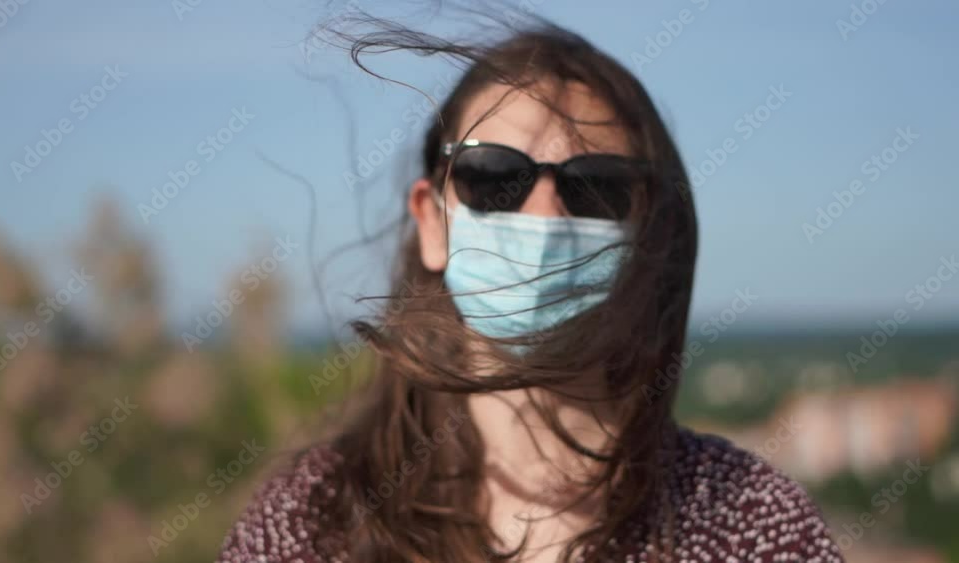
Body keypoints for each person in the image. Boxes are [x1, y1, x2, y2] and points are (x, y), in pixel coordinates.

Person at [216, 17, 843, 563]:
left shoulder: (751, 519)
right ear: (432, 222)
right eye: (494, 176)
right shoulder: (311, 519)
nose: (544, 215)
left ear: (648, 234)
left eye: (596, 186)